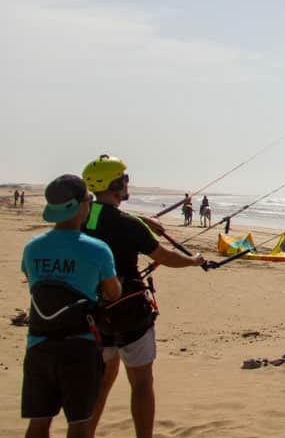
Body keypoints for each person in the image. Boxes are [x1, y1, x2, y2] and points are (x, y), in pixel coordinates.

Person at [79, 155, 207, 438]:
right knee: (140, 382)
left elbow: (106, 215)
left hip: (95, 313)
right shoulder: (128, 224)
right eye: (124, 179)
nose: (127, 183)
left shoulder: (84, 218)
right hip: (129, 312)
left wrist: (143, 218)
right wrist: (194, 260)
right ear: (115, 185)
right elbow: (163, 256)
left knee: (102, 380)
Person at [21, 174, 121, 438]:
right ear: (81, 205)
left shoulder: (32, 248)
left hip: (38, 346)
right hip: (79, 347)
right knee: (79, 425)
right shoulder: (98, 249)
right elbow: (113, 293)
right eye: (89, 199)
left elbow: (34, 281)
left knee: (38, 423)